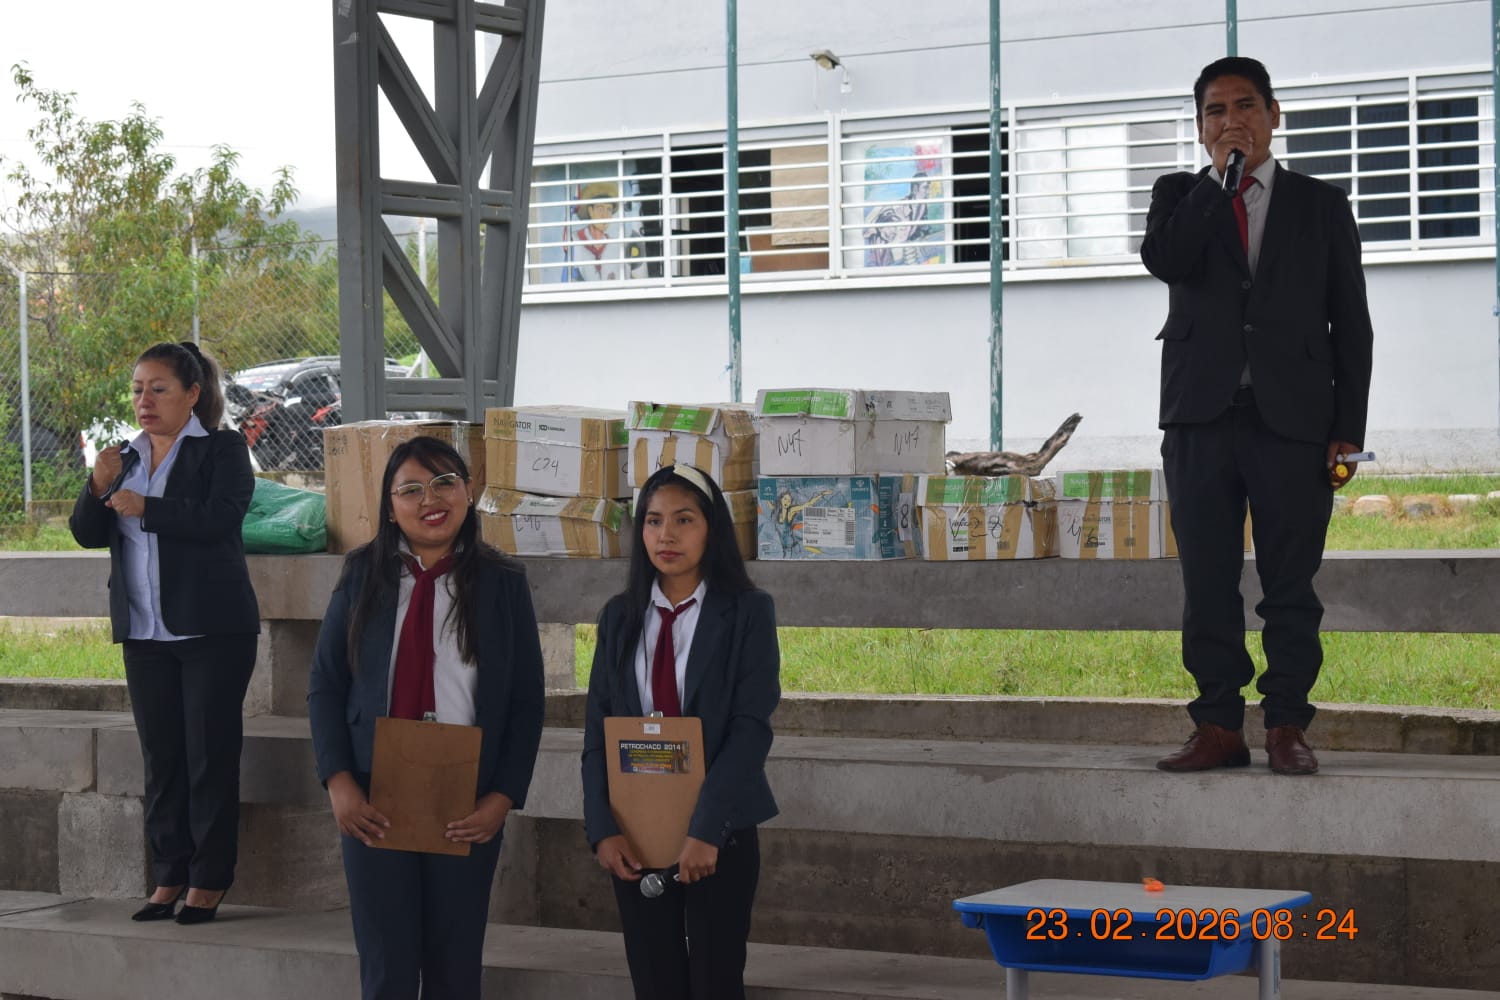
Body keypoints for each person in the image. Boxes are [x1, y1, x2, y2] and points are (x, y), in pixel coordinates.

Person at [1140, 56, 1374, 776]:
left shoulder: (1321, 205)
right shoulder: (1179, 195)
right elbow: (1167, 260)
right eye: (1215, 110)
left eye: (1245, 105)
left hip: (1294, 423)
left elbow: (1351, 323)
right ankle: (1217, 724)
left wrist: (1349, 431)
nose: (1231, 120)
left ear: (1274, 115)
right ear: (1200, 127)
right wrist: (1218, 184)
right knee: (1207, 583)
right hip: (1199, 418)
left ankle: (1286, 725)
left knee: (1290, 585)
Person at [307, 437, 545, 999]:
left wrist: (501, 798)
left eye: (443, 483)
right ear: (390, 508)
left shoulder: (503, 582)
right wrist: (339, 782)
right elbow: (325, 684)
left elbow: (526, 701)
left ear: (468, 491)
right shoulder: (362, 573)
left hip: (466, 797)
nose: (429, 500)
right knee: (386, 966)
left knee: (454, 966)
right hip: (373, 796)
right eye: (410, 489)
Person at [69, 341, 260, 924]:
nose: (144, 401)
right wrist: (97, 484)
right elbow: (87, 534)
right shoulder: (123, 457)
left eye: (158, 389)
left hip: (212, 630)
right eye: (137, 390)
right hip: (144, 632)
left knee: (209, 756)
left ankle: (209, 878)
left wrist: (148, 508)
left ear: (192, 394)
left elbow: (223, 516)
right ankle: (169, 873)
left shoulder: (222, 448)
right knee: (163, 759)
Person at [581, 464, 780, 1000]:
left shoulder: (747, 612)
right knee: (655, 981)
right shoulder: (619, 617)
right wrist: (602, 828)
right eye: (653, 521)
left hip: (718, 831)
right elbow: (598, 733)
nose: (665, 535)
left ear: (712, 528)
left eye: (684, 520)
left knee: (716, 981)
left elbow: (750, 728)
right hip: (635, 831)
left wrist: (706, 831)